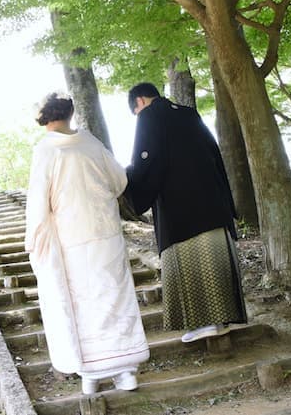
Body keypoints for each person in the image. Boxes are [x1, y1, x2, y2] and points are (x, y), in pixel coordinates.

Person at [24, 93, 150, 396]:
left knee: (82, 304)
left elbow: (38, 202)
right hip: (105, 232)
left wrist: (35, 238)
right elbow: (119, 180)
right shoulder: (91, 142)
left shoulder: (45, 149)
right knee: (115, 297)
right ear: (69, 114)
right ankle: (125, 372)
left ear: (45, 119)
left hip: (72, 237)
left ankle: (91, 374)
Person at [123, 82, 247, 343]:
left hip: (180, 207)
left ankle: (205, 323)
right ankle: (222, 320)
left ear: (140, 102)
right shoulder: (189, 113)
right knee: (216, 261)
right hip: (213, 201)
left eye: (135, 112)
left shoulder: (148, 116)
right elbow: (215, 153)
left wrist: (130, 184)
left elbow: (148, 161)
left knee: (192, 262)